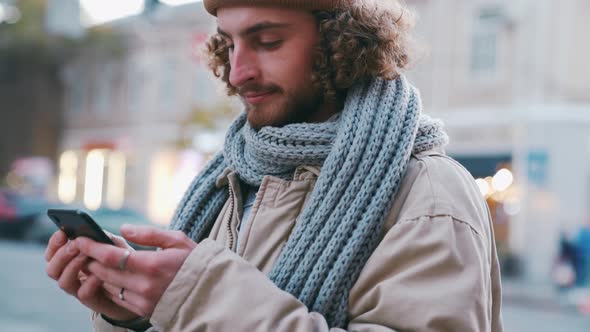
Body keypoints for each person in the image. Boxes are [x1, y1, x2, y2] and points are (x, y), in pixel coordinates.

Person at [45, 0, 503, 331]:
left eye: (267, 41)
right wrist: (135, 315)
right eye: (228, 46)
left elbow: (202, 305)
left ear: (341, 42)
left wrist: (198, 297)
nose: (238, 70)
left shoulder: (429, 192)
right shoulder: (232, 176)